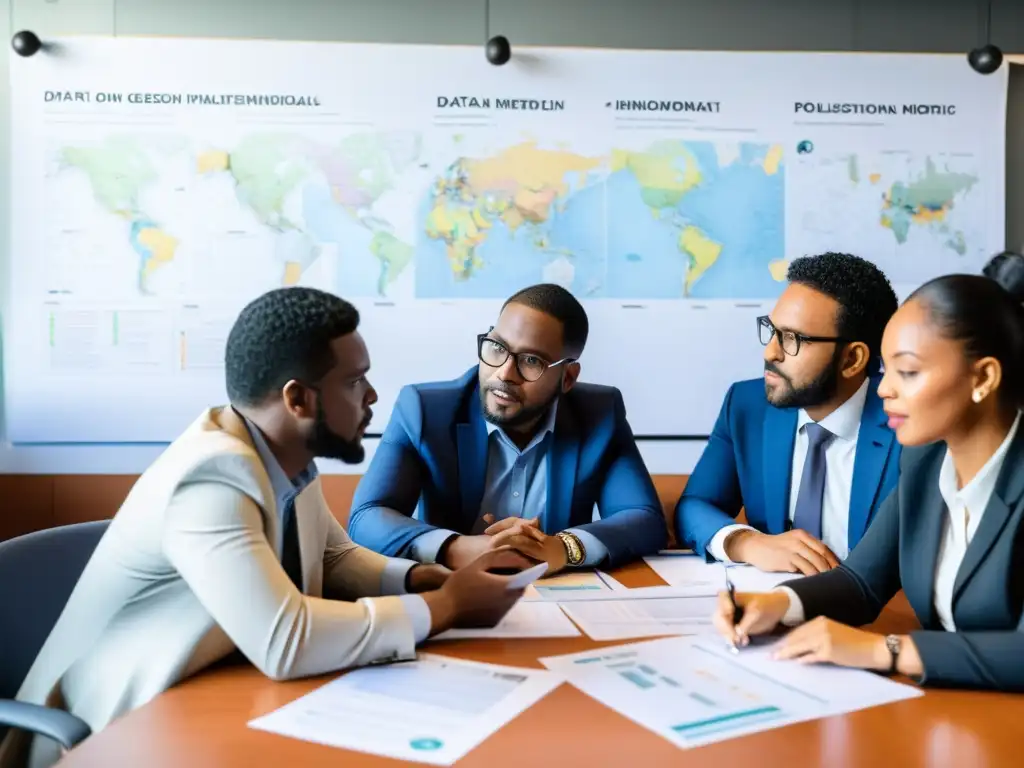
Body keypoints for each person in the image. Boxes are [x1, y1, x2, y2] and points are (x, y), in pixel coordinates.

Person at [3, 288, 529, 768]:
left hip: (210, 699)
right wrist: (448, 607)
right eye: (354, 381)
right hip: (108, 736)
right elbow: (286, 640)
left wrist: (423, 580)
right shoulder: (212, 476)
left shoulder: (285, 457)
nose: (372, 396)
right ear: (297, 399)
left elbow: (334, 558)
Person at [714, 272, 1024, 691]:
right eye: (888, 369)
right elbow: (861, 582)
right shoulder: (925, 459)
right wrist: (777, 603)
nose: (884, 390)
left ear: (984, 378)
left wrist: (887, 651)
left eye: (908, 372)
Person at [348, 283, 667, 574]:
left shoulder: (600, 413)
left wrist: (564, 548)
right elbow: (367, 516)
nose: (504, 373)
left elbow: (645, 519)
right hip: (455, 591)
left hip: (558, 597)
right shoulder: (424, 409)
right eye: (497, 347)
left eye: (531, 361)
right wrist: (457, 548)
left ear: (567, 378)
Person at [675, 252, 901, 573]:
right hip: (771, 606)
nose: (770, 352)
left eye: (793, 338)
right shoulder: (747, 404)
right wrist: (748, 542)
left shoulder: (909, 422)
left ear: (852, 359)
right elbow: (695, 506)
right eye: (772, 330)